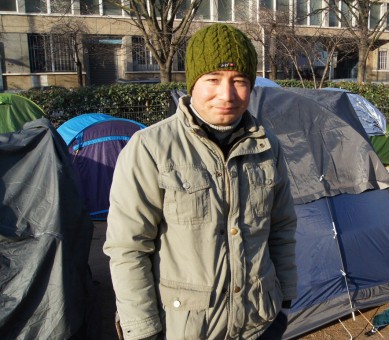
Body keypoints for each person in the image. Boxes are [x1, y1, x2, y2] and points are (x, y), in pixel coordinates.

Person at [103, 23, 297, 340]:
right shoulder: (150, 148)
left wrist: (284, 300)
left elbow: (282, 227)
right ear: (193, 83)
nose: (227, 94)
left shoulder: (268, 147)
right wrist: (141, 330)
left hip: (259, 324)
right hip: (185, 330)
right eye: (213, 80)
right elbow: (128, 248)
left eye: (239, 81)